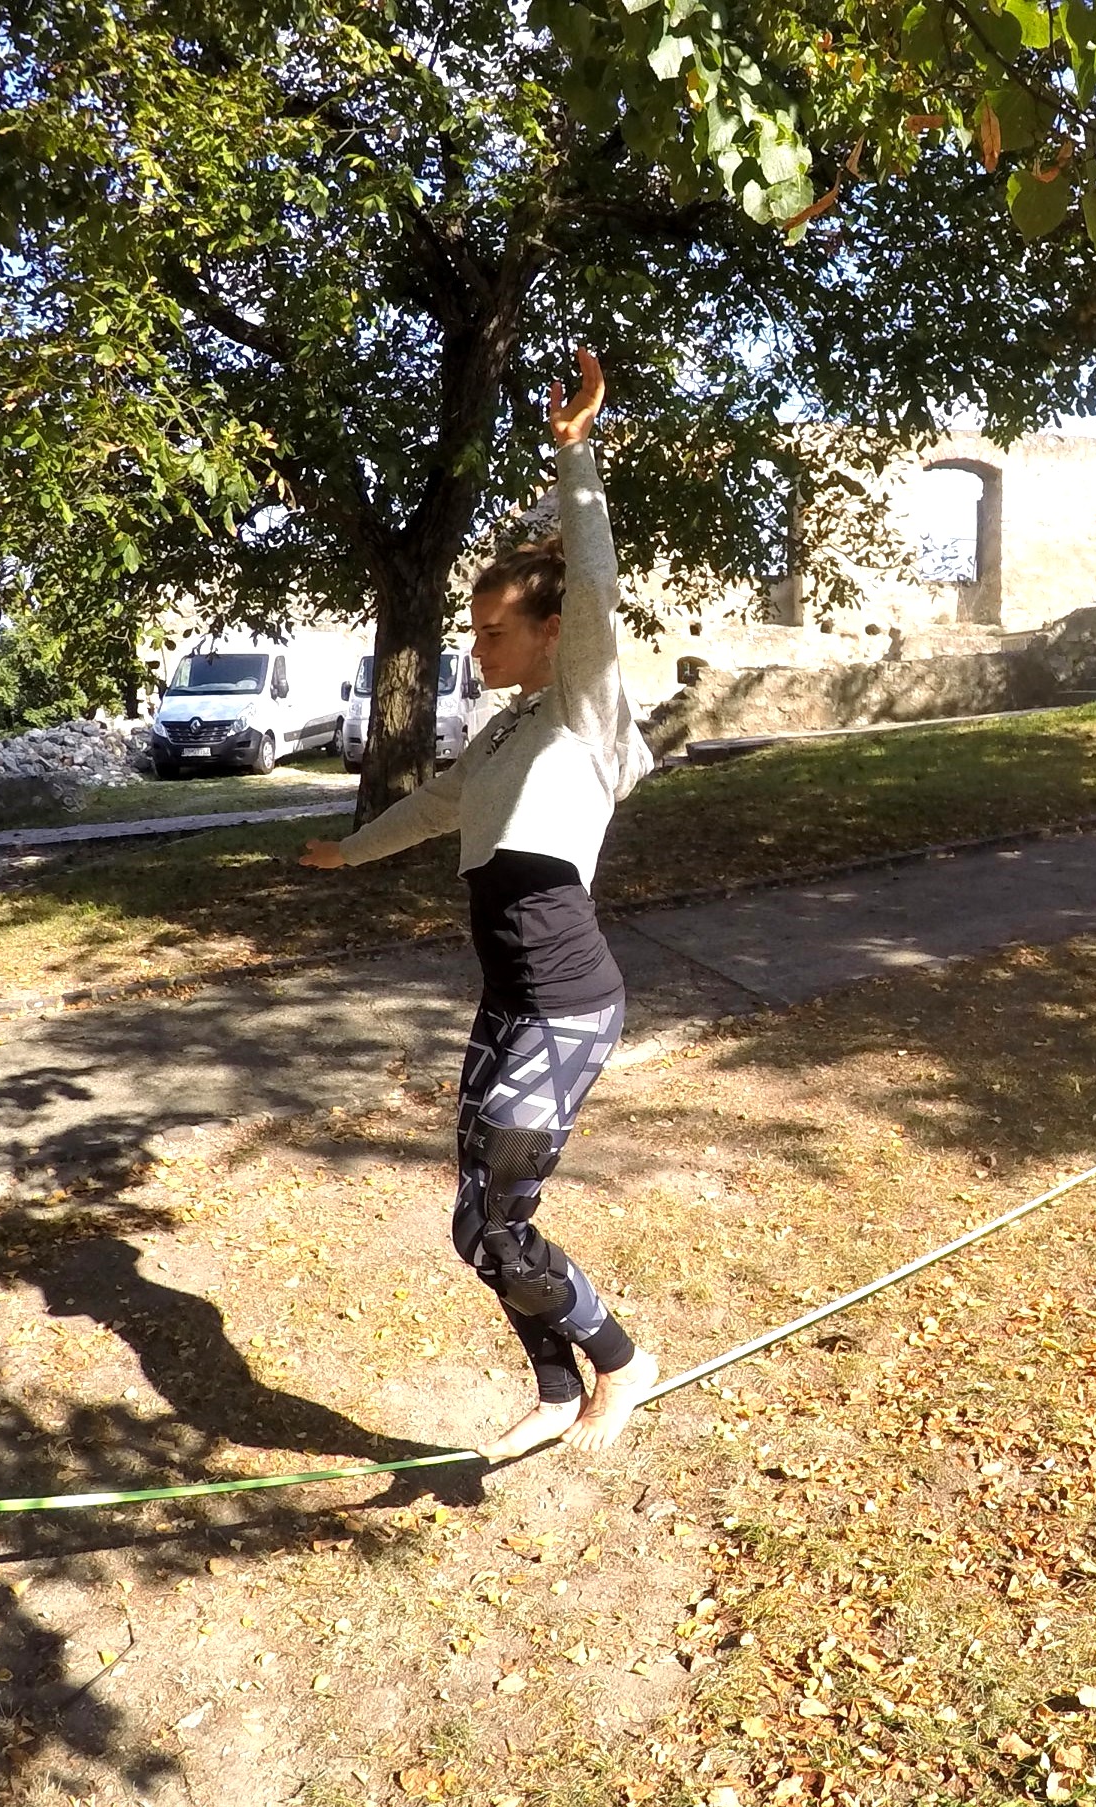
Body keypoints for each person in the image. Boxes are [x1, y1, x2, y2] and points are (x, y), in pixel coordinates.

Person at [298, 347, 661, 1461]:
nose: (476, 645)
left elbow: (594, 584)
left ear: (551, 635)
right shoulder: (504, 734)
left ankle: (621, 1362)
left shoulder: (583, 713)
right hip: (508, 1001)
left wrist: (574, 458)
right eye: (473, 628)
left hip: (565, 1004)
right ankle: (553, 1392)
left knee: (496, 1227)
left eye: (494, 630)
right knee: (479, 1224)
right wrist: (350, 853)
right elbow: (434, 806)